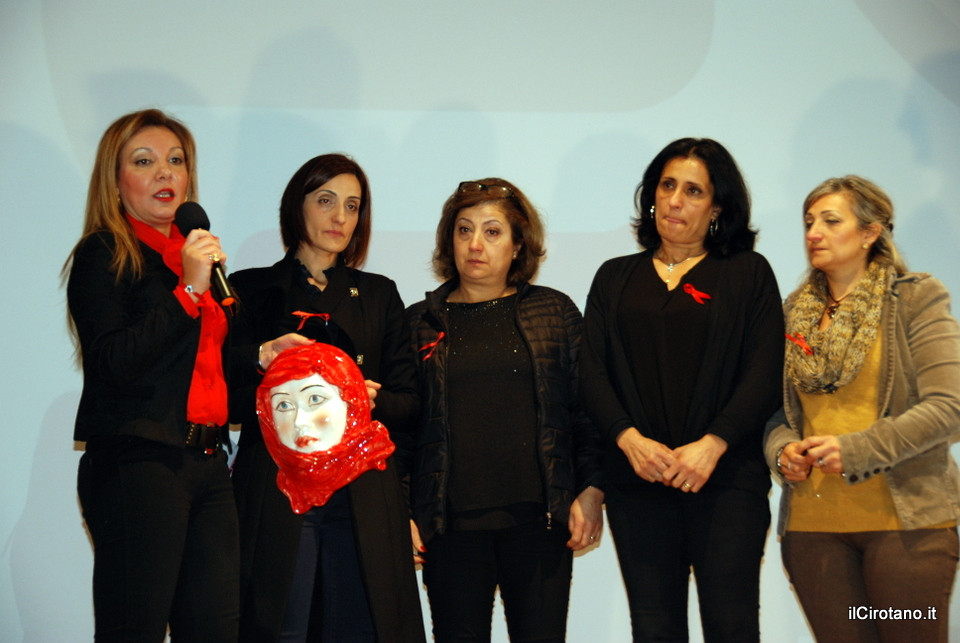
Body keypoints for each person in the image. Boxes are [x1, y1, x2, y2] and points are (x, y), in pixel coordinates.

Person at [580, 138, 784, 641]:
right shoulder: (614, 277)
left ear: (717, 208)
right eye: (667, 185)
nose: (675, 200)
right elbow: (591, 372)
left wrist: (713, 444)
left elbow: (765, 374)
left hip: (726, 481)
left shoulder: (748, 273)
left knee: (731, 626)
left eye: (694, 191)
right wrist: (629, 440)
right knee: (654, 629)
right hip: (638, 484)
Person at [229, 153, 425, 642]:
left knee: (360, 627)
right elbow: (226, 399)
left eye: (352, 206)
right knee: (280, 625)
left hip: (363, 492)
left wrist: (365, 401)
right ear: (297, 207)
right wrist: (267, 372)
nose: (340, 217)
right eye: (326, 201)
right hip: (277, 488)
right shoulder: (249, 288)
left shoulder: (378, 294)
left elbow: (409, 401)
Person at [64, 108, 239, 640]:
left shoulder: (196, 258)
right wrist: (187, 292)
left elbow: (207, 367)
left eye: (176, 161)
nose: (165, 172)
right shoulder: (104, 254)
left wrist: (261, 354)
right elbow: (112, 361)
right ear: (115, 182)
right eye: (144, 162)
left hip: (209, 464)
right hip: (138, 463)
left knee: (216, 630)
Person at [407, 177, 604, 642]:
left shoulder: (554, 312)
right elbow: (401, 429)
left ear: (518, 245)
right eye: (464, 230)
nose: (475, 244)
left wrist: (593, 491)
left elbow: (587, 412)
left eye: (492, 231)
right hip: (450, 530)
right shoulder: (418, 323)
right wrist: (402, 511)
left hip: (539, 526)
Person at [764, 175, 960, 642]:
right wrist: (782, 451)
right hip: (812, 532)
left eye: (831, 221)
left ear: (871, 232)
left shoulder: (914, 298)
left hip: (907, 529)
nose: (814, 233)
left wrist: (855, 451)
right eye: (809, 222)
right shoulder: (792, 312)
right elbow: (776, 413)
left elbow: (948, 407)